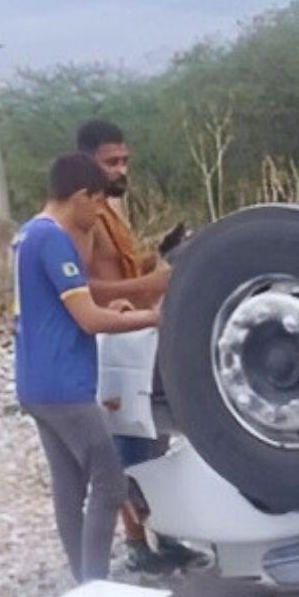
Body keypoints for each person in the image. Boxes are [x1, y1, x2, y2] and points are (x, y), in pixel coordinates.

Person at [13, 153, 160, 583]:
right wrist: (153, 317)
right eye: (97, 204)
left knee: (69, 484)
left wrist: (110, 307)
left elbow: (66, 307)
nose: (99, 215)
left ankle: (82, 581)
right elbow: (90, 321)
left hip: (34, 380)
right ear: (80, 196)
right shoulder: (55, 240)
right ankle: (95, 584)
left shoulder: (25, 235)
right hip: (64, 385)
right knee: (110, 483)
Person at [74, 119, 196, 572]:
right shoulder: (82, 219)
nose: (121, 168)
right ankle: (138, 545)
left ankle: (165, 534)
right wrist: (152, 282)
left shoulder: (112, 210)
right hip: (114, 338)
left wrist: (163, 258)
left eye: (125, 159)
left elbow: (125, 269)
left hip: (141, 334)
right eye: (111, 162)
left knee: (153, 436)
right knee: (128, 445)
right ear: (87, 163)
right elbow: (82, 289)